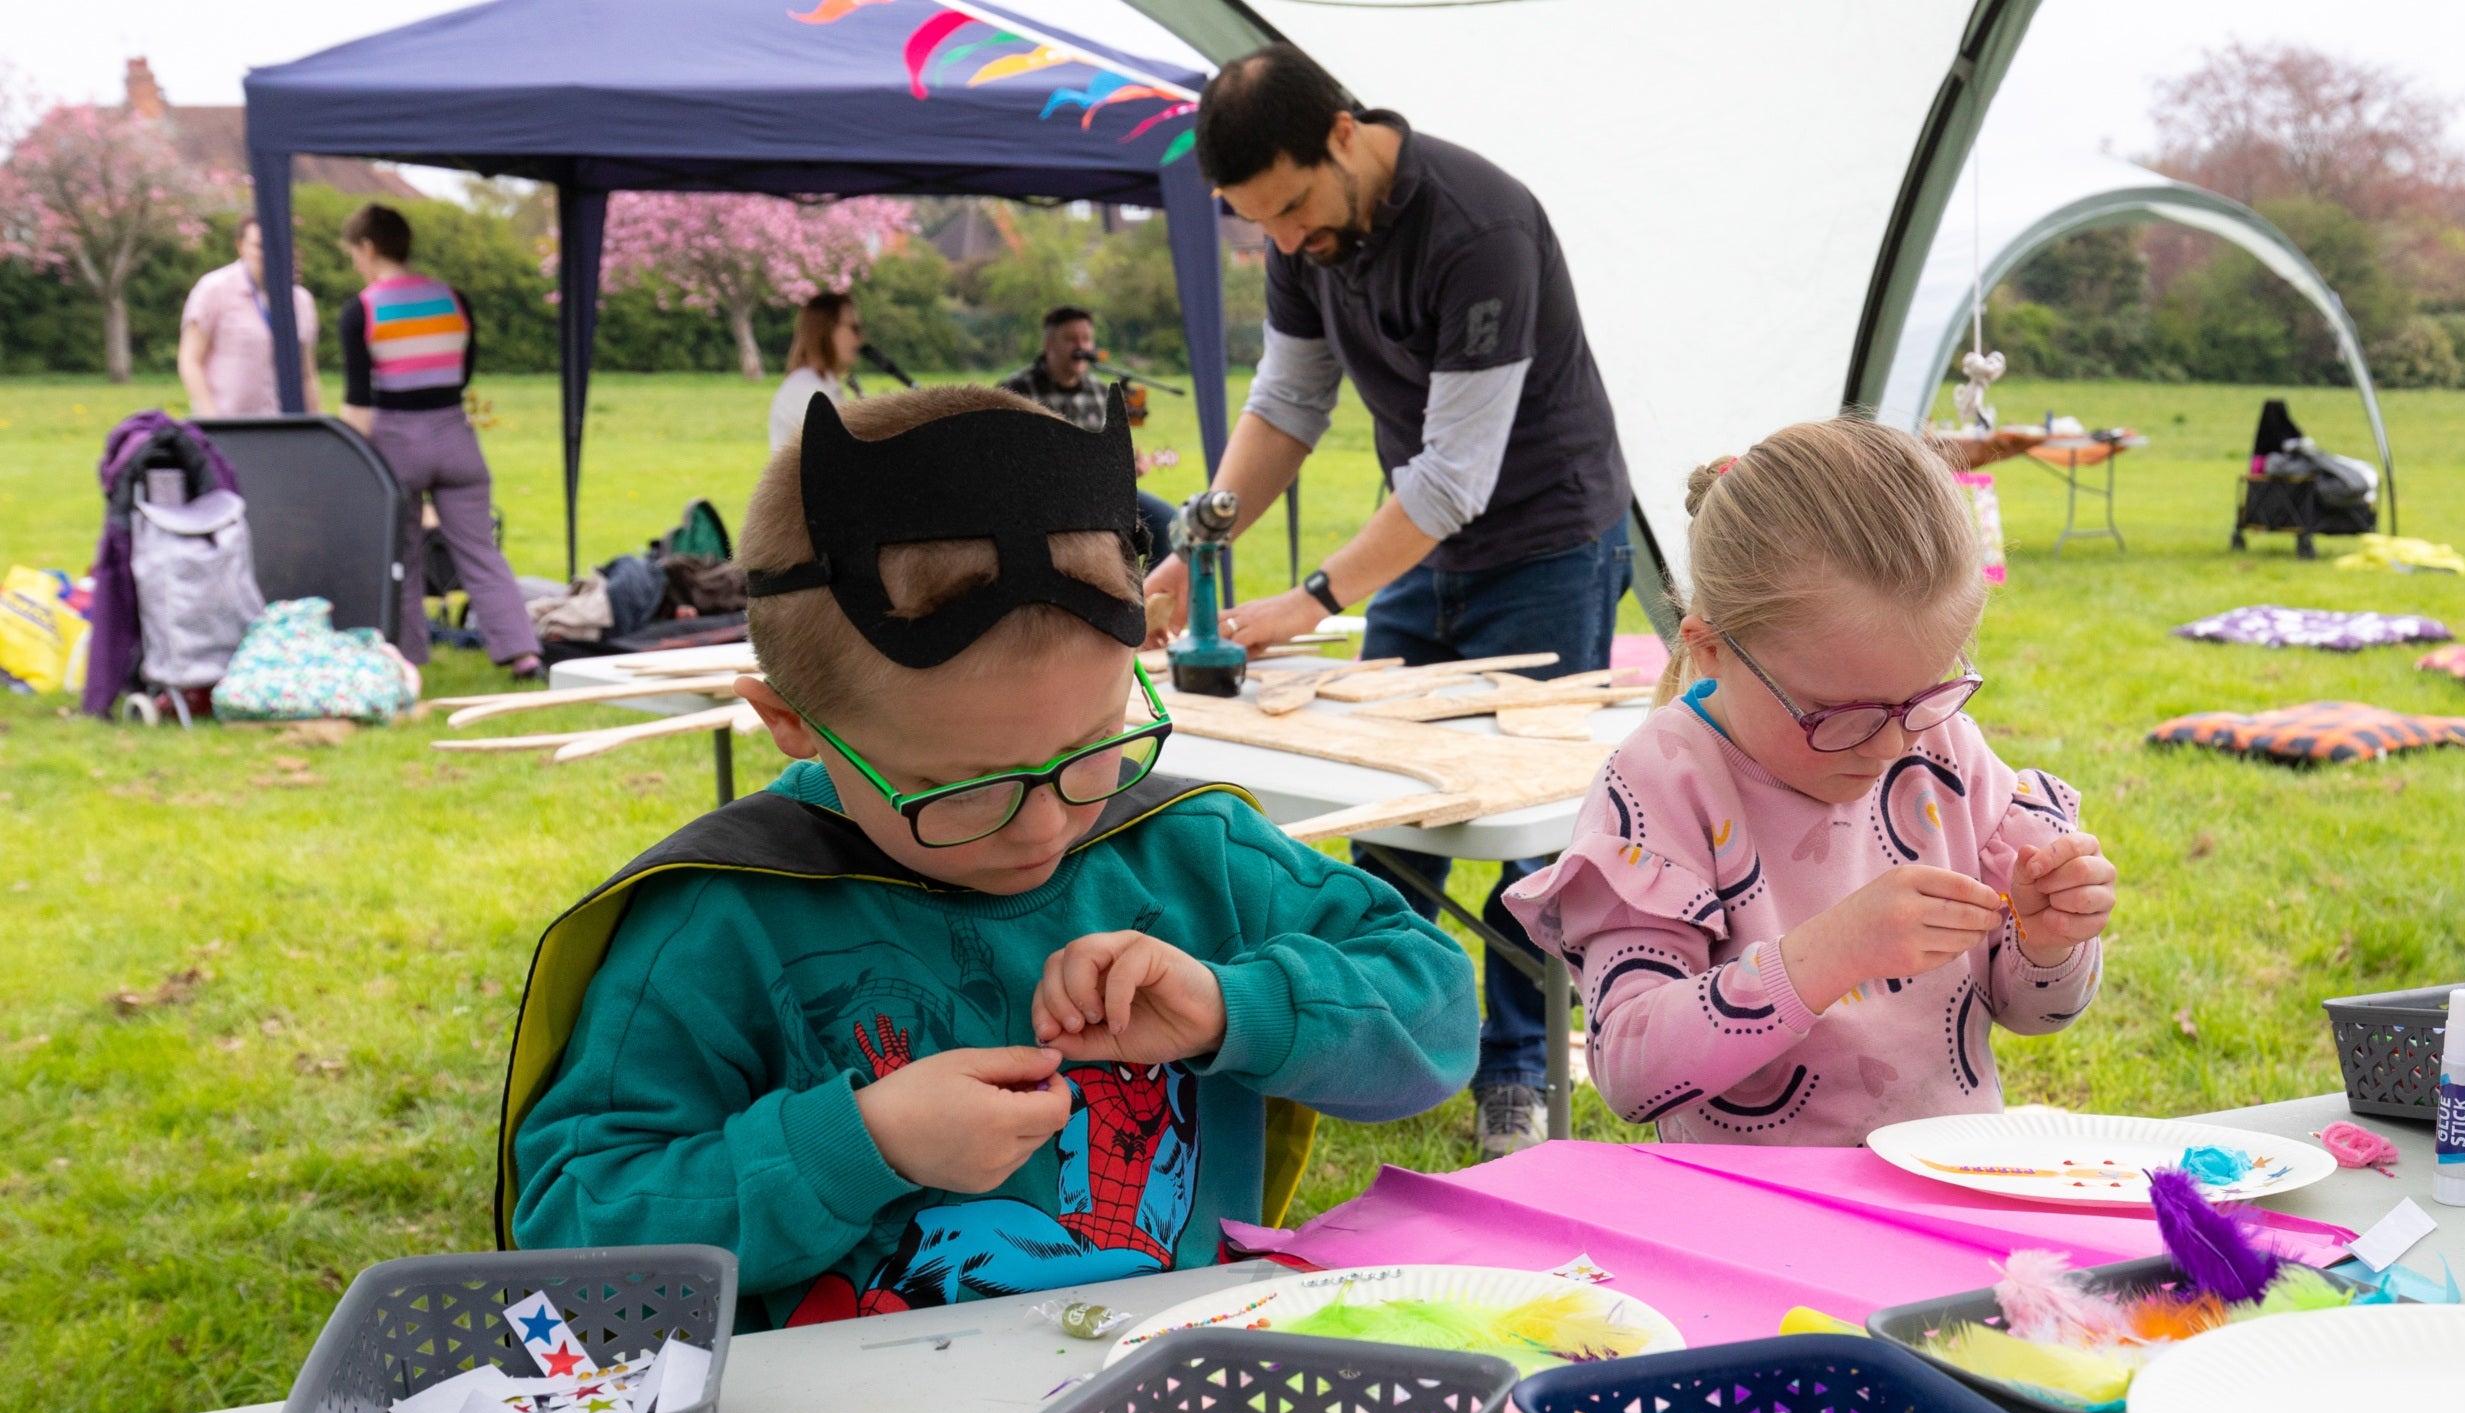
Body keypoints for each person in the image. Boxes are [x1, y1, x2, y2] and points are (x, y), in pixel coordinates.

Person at [501, 384, 1477, 1332]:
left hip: (1170, 1403)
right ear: (792, 723)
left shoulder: (1189, 853)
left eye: (1093, 748)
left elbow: (1436, 1017)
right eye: (962, 788)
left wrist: (1233, 1006)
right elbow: (571, 1246)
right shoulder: (722, 922)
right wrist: (862, 1144)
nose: (1046, 826)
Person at [1154, 44, 1635, 1158]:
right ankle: (1384, 1053)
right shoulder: (1304, 233)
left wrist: (1313, 598)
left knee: (1529, 838)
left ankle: (1515, 1076)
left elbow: (1459, 473)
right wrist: (1198, 548)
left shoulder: (1481, 226)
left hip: (1548, 542)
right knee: (1394, 817)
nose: (1282, 241)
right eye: (1255, 222)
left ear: (1339, 133)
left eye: (1288, 209)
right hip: (1420, 541)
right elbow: (1288, 402)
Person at [1502, 419, 2119, 1145]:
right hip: (1754, 1217)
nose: (1892, 744)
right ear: (1712, 653)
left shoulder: (1943, 751)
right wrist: (1827, 956)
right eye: (1837, 713)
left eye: (1922, 695)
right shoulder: (1662, 784)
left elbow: (2035, 1013)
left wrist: (2048, 943)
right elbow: (1631, 1071)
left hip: (1945, 1188)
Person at [335, 204, 540, 679]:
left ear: (367, 249)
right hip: (456, 441)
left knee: (402, 556)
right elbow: (461, 374)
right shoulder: (453, 300)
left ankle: (410, 657)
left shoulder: (362, 309)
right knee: (479, 551)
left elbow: (359, 403)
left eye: (353, 255)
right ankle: (521, 652)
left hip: (396, 445)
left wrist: (351, 465)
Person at [997, 305, 1181, 560]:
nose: (1081, 346)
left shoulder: (1100, 392)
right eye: (1071, 339)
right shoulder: (1014, 391)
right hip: (1036, 501)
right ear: (1049, 343)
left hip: (1096, 495)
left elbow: (1106, 454)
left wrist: (1126, 470)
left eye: (1086, 339)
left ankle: (1149, 597)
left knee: (1167, 522)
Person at [177, 216, 321, 418]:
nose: (269, 253)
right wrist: (211, 417)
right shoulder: (214, 289)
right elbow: (190, 359)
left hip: (285, 427)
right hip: (229, 427)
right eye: (260, 246)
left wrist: (313, 425)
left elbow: (307, 374)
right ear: (241, 247)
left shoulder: (301, 301)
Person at [769, 292, 862, 452]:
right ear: (826, 330)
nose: (859, 338)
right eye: (853, 328)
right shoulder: (808, 389)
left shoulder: (818, 384)